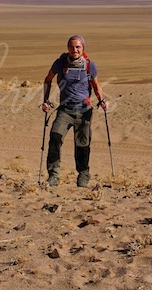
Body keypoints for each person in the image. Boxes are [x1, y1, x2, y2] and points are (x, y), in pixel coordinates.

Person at [41, 35, 108, 187]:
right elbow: (47, 79)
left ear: (83, 48)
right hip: (65, 111)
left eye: (78, 47)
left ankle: (83, 175)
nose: (74, 50)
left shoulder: (90, 65)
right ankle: (54, 176)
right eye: (72, 47)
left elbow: (96, 86)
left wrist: (102, 101)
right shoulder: (60, 63)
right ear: (68, 48)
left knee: (82, 145)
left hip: (84, 111)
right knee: (55, 138)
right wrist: (45, 101)